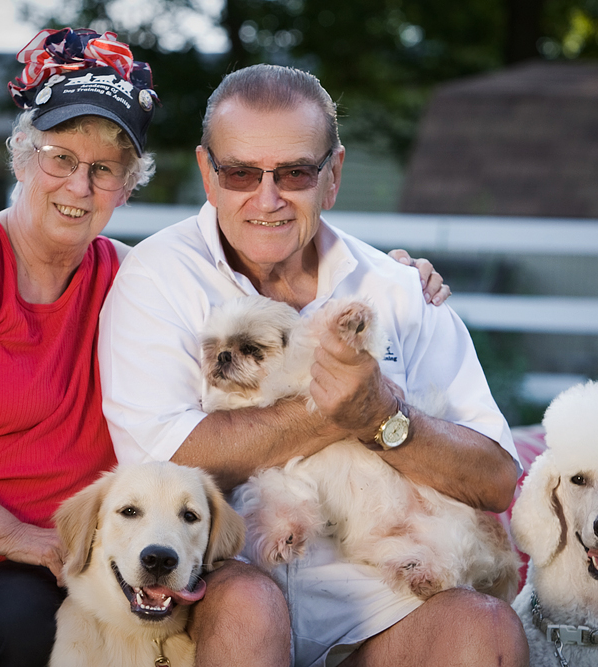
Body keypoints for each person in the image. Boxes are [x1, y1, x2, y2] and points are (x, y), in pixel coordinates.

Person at [0, 31, 447, 667]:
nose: (79, 186)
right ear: (24, 155)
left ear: (127, 182)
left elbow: (262, 325)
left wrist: (391, 280)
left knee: (25, 629)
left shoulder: (136, 283)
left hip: (0, 569)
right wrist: (15, 536)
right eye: (61, 158)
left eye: (105, 168)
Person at [99, 64, 529, 667]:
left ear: (333, 176)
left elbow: (495, 479)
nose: (267, 198)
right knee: (250, 605)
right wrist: (339, 411)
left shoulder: (398, 290)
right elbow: (166, 464)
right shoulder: (158, 277)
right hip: (226, 577)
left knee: (486, 630)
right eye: (241, 172)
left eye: (296, 172)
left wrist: (386, 416)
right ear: (208, 173)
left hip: (388, 593)